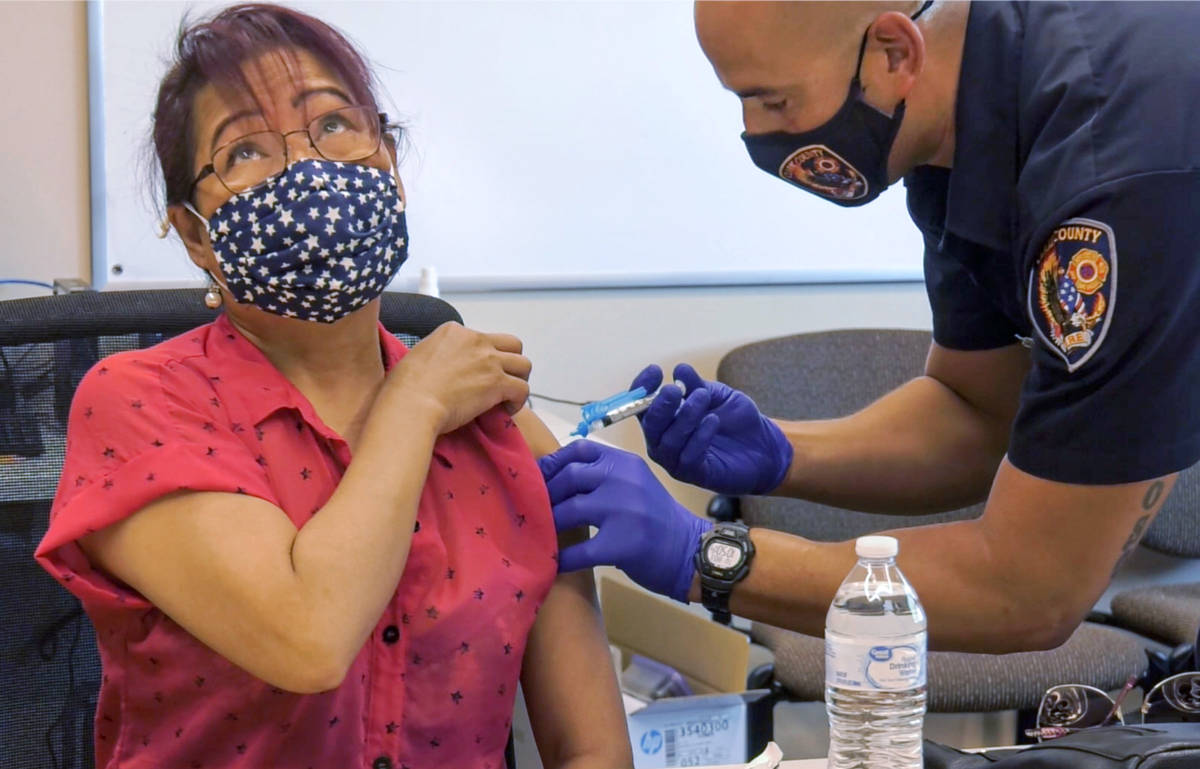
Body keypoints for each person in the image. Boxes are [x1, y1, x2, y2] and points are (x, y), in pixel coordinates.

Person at [34, 5, 631, 769]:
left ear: (391, 169)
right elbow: (308, 636)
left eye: (334, 126)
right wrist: (413, 402)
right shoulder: (138, 406)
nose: (306, 171)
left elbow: (593, 750)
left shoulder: (504, 437)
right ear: (194, 235)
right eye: (244, 149)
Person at [539, 0, 1200, 654]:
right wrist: (781, 452)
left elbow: (1028, 589)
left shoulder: (1112, 176)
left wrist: (704, 556)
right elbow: (978, 411)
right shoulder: (959, 129)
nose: (754, 133)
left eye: (774, 102)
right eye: (740, 101)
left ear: (894, 53)